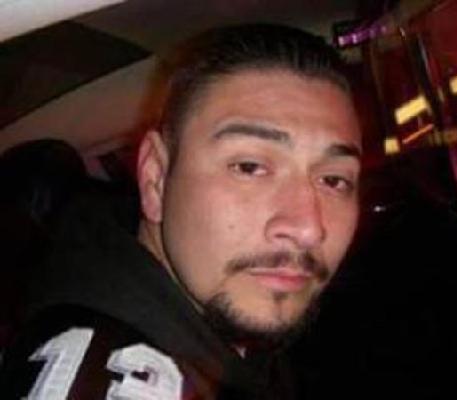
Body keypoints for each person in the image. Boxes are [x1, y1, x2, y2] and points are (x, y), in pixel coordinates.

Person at [0, 23, 362, 399]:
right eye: (249, 167)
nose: (308, 228)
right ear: (156, 179)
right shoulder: (101, 380)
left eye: (334, 180)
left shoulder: (221, 337)